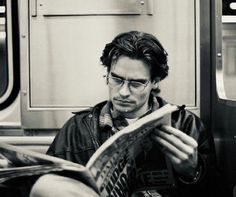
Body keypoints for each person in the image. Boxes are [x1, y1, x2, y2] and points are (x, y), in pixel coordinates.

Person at [30, 31, 216, 197]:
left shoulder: (186, 125)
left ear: (155, 82)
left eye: (136, 83)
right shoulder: (77, 128)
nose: (123, 92)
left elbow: (214, 191)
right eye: (116, 79)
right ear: (108, 74)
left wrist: (192, 173)